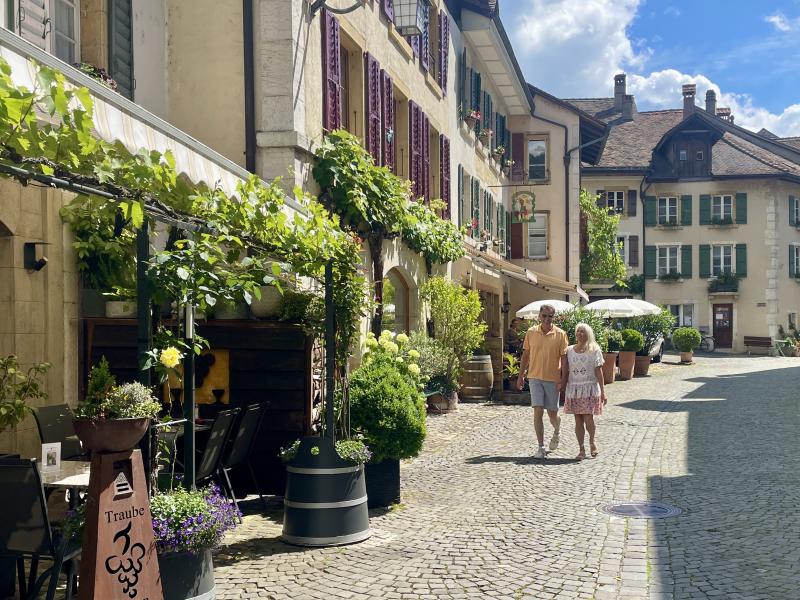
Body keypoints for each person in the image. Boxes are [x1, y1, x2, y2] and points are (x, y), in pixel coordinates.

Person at [516, 304, 568, 459]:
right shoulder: (531, 332)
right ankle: (541, 447)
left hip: (553, 379)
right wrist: (520, 376)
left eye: (549, 316)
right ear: (539, 316)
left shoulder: (560, 334)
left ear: (554, 317)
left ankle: (557, 431)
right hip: (535, 377)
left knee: (552, 414)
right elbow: (526, 356)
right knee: (537, 410)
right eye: (544, 316)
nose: (546, 319)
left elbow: (564, 360)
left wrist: (563, 379)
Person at [560, 322, 607, 460]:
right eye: (578, 331)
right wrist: (562, 385)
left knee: (588, 418)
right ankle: (581, 449)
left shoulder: (594, 350)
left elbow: (599, 372)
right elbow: (565, 370)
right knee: (578, 420)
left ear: (588, 334)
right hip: (574, 388)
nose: (580, 334)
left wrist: (603, 392)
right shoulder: (568, 350)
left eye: (583, 332)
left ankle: (592, 442)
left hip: (590, 388)